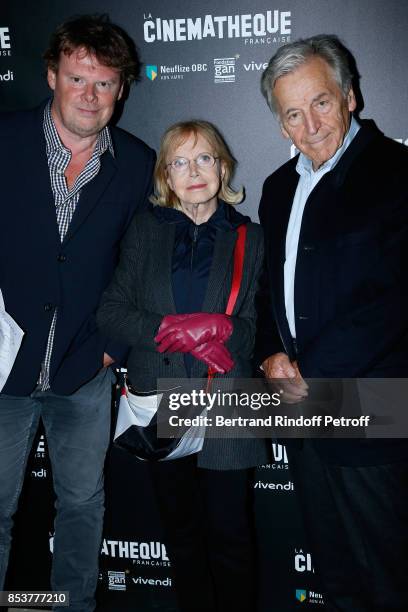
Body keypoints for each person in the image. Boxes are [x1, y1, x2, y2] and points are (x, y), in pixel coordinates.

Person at [0, 14, 155, 612]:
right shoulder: (4, 142)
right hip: (4, 370)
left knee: (84, 505)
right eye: (77, 79)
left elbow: (141, 267)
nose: (90, 96)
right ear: (50, 77)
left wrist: (112, 347)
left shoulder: (138, 164)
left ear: (121, 91)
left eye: (105, 84)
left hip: (85, 370)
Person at [256, 34, 408, 611]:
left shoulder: (397, 172)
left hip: (375, 402)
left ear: (349, 96)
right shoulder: (276, 188)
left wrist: (310, 371)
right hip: (301, 409)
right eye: (292, 113)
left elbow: (395, 297)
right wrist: (272, 356)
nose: (310, 123)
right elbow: (271, 286)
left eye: (320, 102)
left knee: (390, 572)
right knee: (334, 568)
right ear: (281, 124)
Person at [97, 120, 270, 612]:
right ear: (166, 177)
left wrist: (220, 329)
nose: (193, 171)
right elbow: (111, 311)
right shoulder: (145, 230)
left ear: (222, 167)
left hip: (227, 396)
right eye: (179, 162)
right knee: (183, 535)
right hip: (162, 396)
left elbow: (257, 328)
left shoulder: (249, 237)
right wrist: (173, 330)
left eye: (203, 159)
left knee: (232, 537)